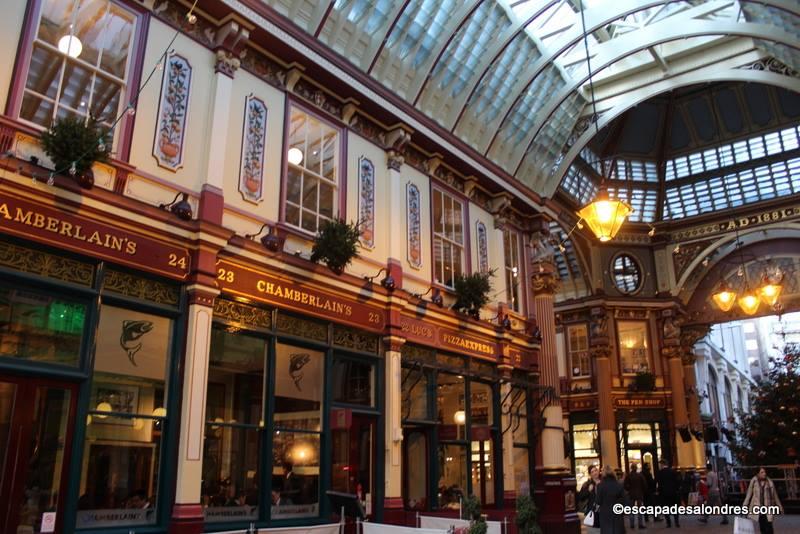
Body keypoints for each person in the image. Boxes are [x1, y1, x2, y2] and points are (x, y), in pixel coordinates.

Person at [743, 467, 784, 534]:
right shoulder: (754, 481)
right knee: (762, 527)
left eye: (765, 472)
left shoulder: (770, 482)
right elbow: (749, 495)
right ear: (758, 473)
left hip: (768, 507)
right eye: (762, 472)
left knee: (769, 526)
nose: (764, 474)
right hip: (758, 508)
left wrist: (780, 506)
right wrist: (744, 505)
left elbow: (775, 496)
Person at [596, 465, 627, 534]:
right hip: (617, 514)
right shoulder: (619, 485)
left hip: (605, 515)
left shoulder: (600, 486)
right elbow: (625, 500)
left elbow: (598, 501)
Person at [656, 460, 681, 528]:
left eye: (660, 464)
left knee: (665, 508)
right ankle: (676, 522)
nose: (659, 466)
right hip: (673, 493)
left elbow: (659, 484)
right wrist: (676, 489)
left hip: (664, 494)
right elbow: (678, 481)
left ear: (662, 464)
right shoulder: (673, 471)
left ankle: (668, 523)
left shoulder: (660, 473)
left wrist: (658, 491)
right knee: (675, 508)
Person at [623, 463, 646, 530]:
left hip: (631, 495)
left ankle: (632, 524)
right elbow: (644, 485)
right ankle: (640, 524)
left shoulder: (628, 476)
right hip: (639, 494)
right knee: (640, 510)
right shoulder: (640, 475)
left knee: (631, 510)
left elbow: (625, 485)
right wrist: (642, 491)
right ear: (636, 468)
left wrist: (629, 489)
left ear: (631, 468)